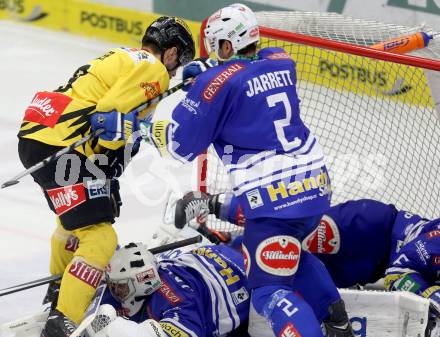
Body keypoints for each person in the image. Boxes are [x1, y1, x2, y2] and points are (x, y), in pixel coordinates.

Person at [142, 4, 337, 337]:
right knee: (284, 252)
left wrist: (147, 126)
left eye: (216, 46)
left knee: (268, 292)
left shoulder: (215, 83)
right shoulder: (281, 61)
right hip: (317, 187)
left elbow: (180, 147)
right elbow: (252, 64)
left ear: (227, 46)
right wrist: (211, 71)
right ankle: (337, 320)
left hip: (275, 200)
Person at [16, 16, 195, 337]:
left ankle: (59, 292)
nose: (175, 71)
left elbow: (110, 115)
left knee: (75, 223)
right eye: (178, 63)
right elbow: (109, 122)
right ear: (170, 53)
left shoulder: (124, 56)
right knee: (101, 238)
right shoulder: (154, 70)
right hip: (65, 145)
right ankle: (62, 322)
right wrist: (131, 134)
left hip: (38, 135)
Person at [174, 191, 440, 324]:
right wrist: (433, 296)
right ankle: (210, 203)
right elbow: (400, 274)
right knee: (287, 231)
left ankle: (229, 244)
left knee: (292, 269)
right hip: (365, 229)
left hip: (369, 267)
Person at [87, 241, 348, 337]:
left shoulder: (176, 299)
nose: (116, 293)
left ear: (142, 283)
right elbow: (107, 306)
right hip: (217, 256)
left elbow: (181, 333)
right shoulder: (142, 282)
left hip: (233, 278)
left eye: (120, 288)